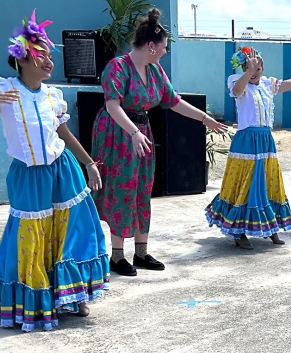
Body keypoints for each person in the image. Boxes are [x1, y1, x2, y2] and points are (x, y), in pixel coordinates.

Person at [92, 8, 227, 276]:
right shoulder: (118, 67)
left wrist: (204, 119)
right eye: (164, 46)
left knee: (143, 188)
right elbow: (112, 105)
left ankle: (141, 252)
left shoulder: (154, 71)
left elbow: (173, 101)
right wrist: (132, 133)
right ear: (152, 46)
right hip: (119, 133)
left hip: (142, 131)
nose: (165, 51)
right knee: (122, 188)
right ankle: (117, 256)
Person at [0, 11, 109, 331]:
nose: (49, 60)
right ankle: (38, 299)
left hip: (62, 170)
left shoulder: (53, 96)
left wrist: (89, 163)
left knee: (72, 231)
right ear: (22, 57)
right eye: (42, 54)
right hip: (28, 175)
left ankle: (74, 295)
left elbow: (64, 135)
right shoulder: (6, 91)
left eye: (50, 55)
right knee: (33, 237)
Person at [206, 47, 291, 249]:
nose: (255, 72)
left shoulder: (268, 84)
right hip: (246, 141)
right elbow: (236, 92)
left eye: (258, 68)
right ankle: (238, 230)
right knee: (245, 183)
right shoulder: (236, 80)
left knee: (268, 182)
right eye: (251, 67)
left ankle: (270, 228)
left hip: (265, 140)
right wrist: (247, 72)